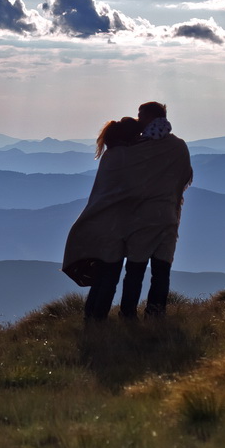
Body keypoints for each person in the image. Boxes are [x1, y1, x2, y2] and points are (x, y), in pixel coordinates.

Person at [62, 102, 192, 320]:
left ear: (149, 117)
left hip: (139, 221)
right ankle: (155, 315)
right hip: (168, 217)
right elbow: (184, 176)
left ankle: (126, 315)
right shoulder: (179, 147)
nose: (139, 120)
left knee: (134, 270)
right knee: (162, 270)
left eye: (141, 116)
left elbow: (130, 185)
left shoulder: (135, 151)